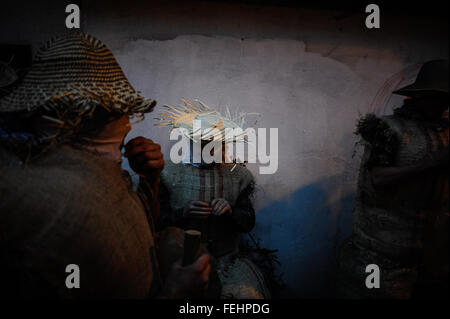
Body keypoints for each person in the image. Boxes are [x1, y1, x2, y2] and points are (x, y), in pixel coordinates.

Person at [0, 32, 210, 298]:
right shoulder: (55, 203)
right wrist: (176, 294)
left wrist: (151, 178)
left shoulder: (83, 171)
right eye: (118, 145)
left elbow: (145, 226)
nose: (118, 159)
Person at [339, 60, 449, 298]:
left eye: (444, 98)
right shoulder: (388, 129)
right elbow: (378, 177)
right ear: (419, 97)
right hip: (382, 254)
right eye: (435, 97)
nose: (441, 105)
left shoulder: (444, 132)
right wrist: (430, 163)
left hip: (429, 256)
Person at [156, 100, 270, 299]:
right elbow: (155, 220)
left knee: (245, 296)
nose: (207, 147)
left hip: (226, 261)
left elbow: (248, 222)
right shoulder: (168, 173)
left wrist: (231, 212)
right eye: (201, 142)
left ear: (222, 143)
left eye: (213, 143)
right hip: (179, 261)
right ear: (189, 140)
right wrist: (183, 213)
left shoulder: (238, 176)